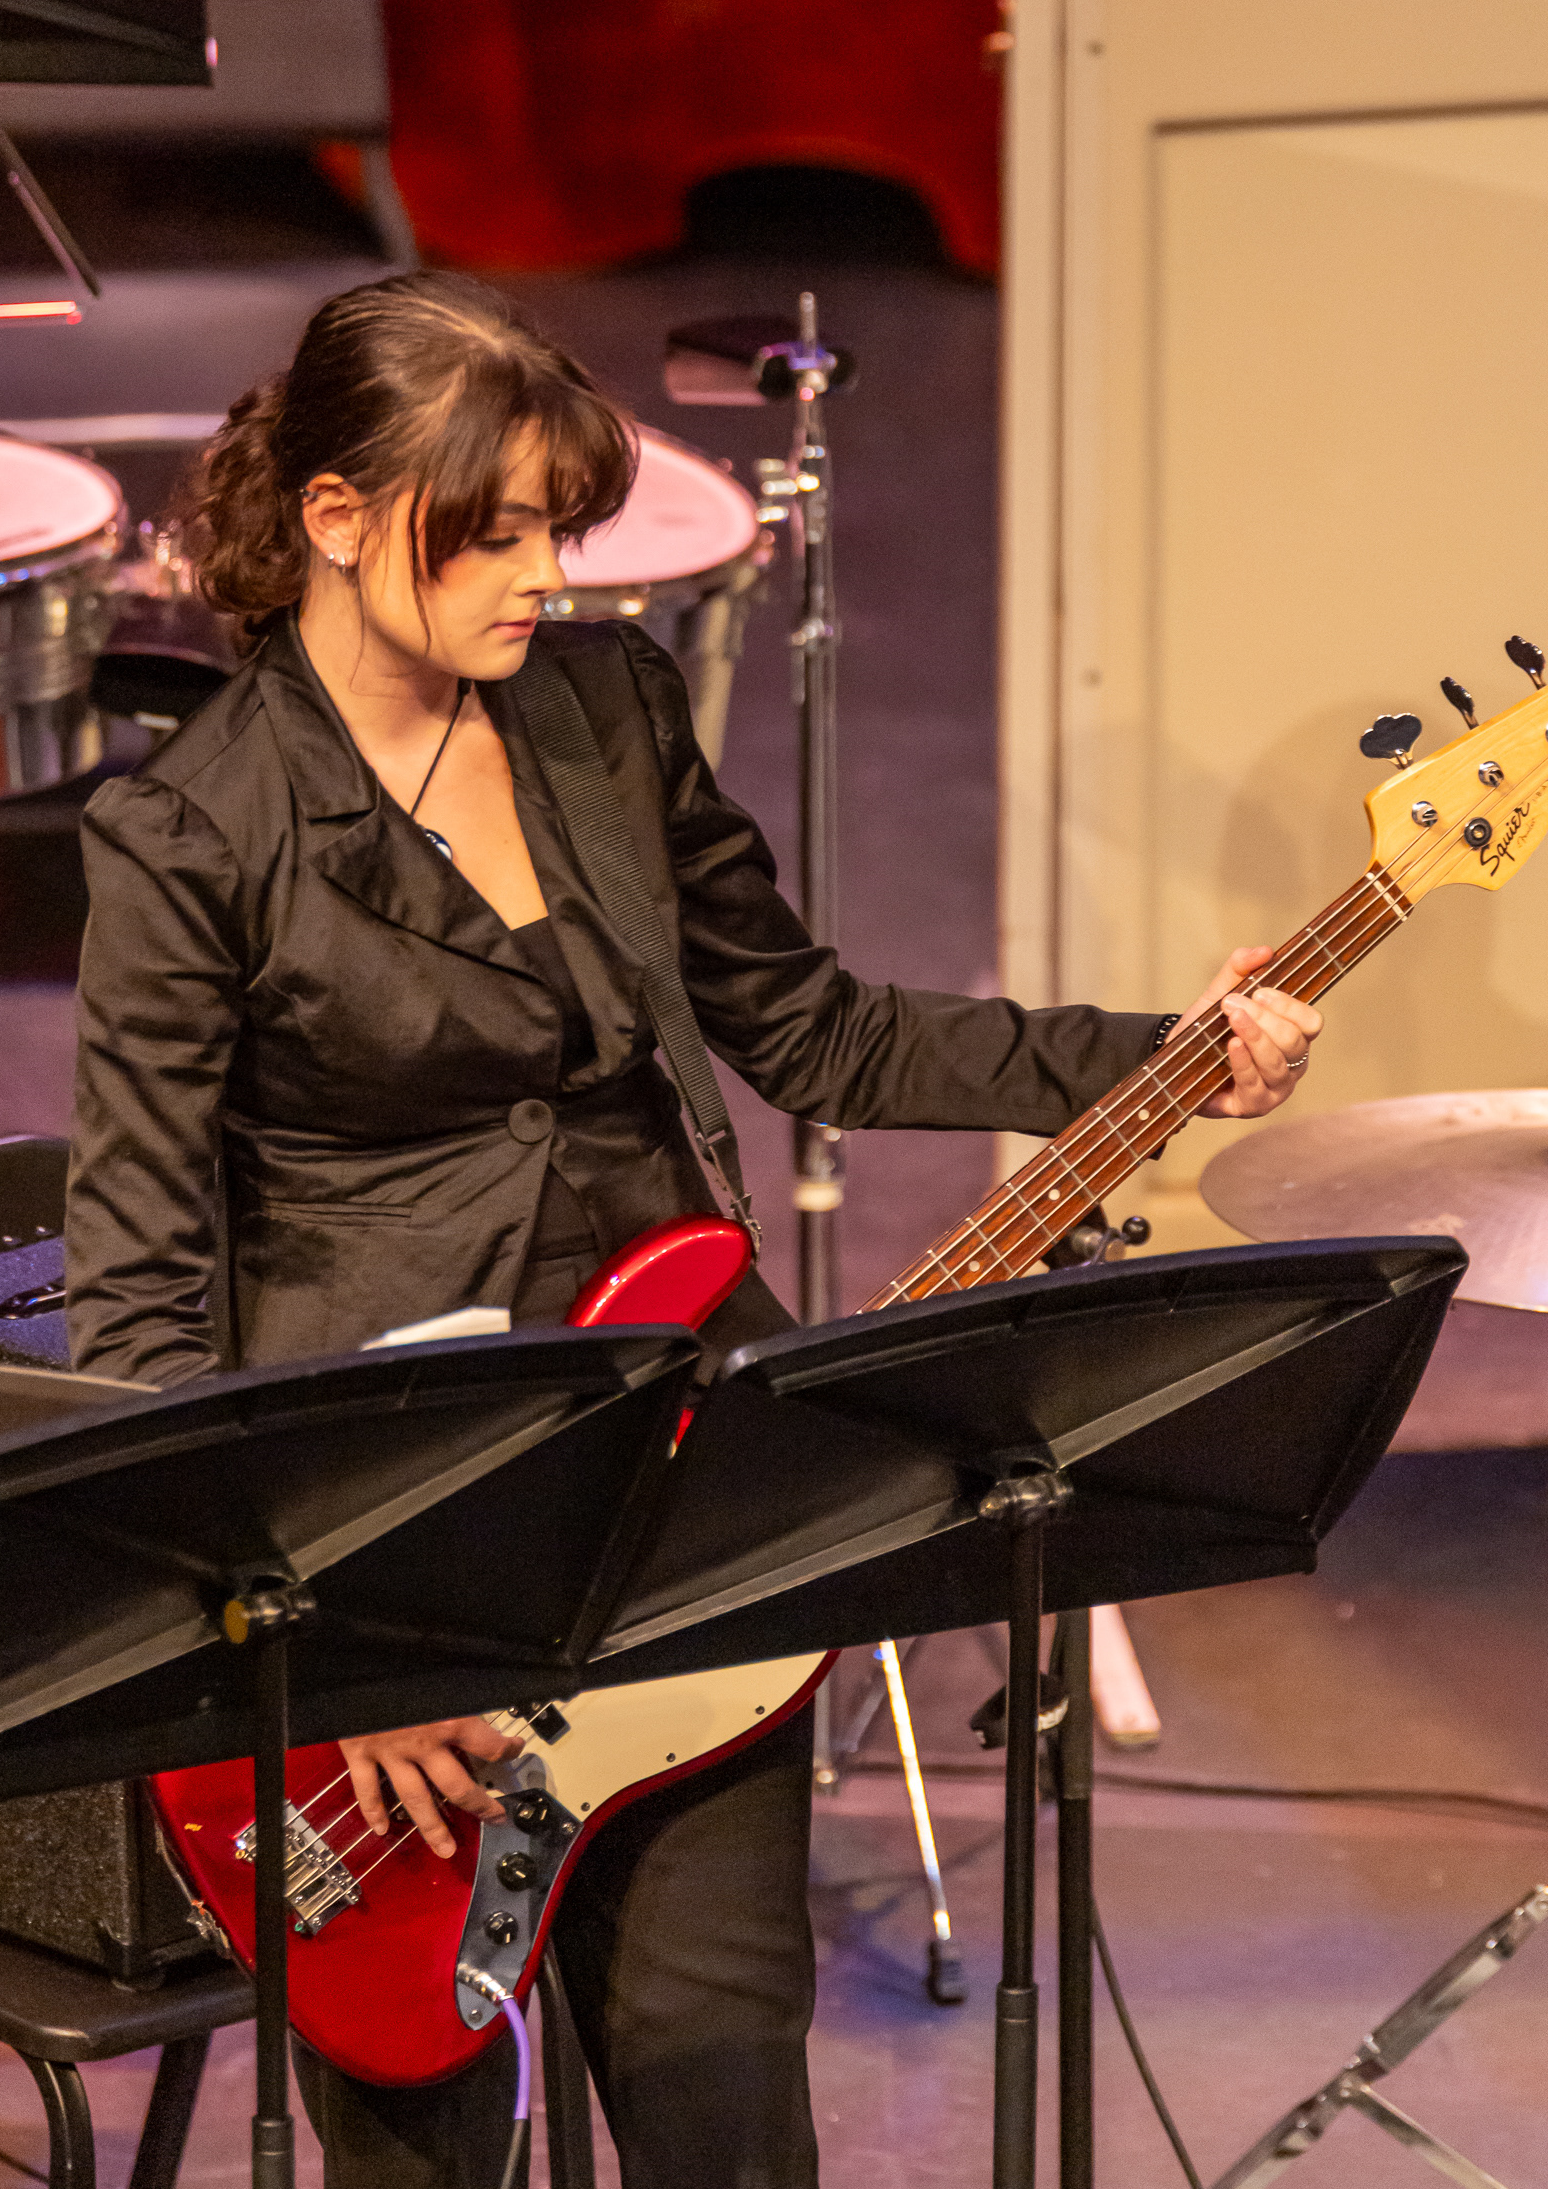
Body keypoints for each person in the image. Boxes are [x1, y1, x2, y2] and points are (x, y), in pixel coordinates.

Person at [64, 268, 1319, 2189]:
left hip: (684, 1477)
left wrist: (1158, 1057)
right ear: (335, 517)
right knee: (426, 2145)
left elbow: (814, 1028)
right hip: (400, 1550)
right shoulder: (192, 836)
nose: (543, 579)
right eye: (494, 537)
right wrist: (312, 1653)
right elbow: (142, 1309)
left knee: (720, 2073)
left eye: (557, 532)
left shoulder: (602, 710)